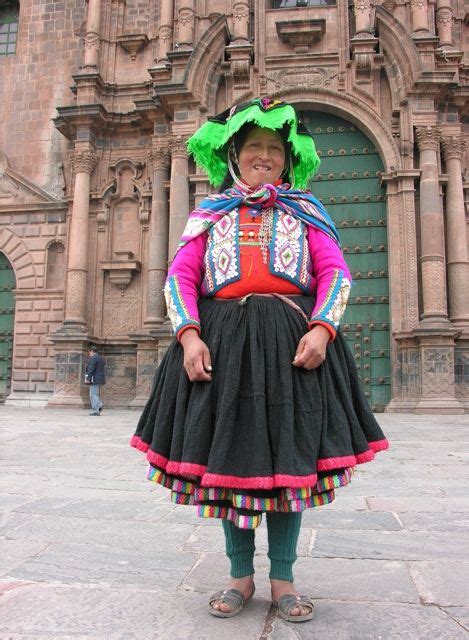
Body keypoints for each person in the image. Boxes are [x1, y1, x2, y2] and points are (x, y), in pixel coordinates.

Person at [131, 97, 389, 623]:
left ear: (287, 160)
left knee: (287, 468)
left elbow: (335, 274)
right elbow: (179, 277)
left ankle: (284, 579)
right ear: (235, 157)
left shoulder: (306, 212)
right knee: (229, 466)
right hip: (222, 349)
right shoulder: (209, 216)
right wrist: (189, 337)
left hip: (291, 351)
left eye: (274, 149)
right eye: (254, 148)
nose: (264, 157)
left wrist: (321, 330)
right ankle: (239, 576)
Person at [85, 345, 105, 416]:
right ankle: (99, 405)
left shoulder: (94, 358)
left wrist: (88, 378)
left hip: (94, 378)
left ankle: (96, 409)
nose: (89, 354)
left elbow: (91, 368)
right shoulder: (100, 358)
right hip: (99, 378)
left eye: (89, 352)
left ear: (92, 351)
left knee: (93, 394)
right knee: (94, 393)